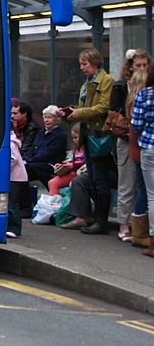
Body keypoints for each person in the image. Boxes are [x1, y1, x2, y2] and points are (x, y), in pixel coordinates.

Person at [58, 47, 115, 235]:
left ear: (95, 62)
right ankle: (94, 218)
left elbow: (104, 106)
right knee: (92, 177)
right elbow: (85, 107)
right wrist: (69, 112)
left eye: (85, 64)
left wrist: (79, 113)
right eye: (81, 64)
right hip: (88, 134)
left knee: (99, 179)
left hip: (100, 135)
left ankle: (101, 220)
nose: (82, 67)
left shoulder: (106, 81)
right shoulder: (86, 83)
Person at [111, 49, 151, 241]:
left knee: (144, 187)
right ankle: (124, 224)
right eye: (138, 65)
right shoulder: (121, 87)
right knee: (127, 183)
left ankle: (139, 228)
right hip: (127, 140)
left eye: (145, 65)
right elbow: (114, 114)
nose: (142, 69)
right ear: (130, 67)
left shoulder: (147, 90)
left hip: (144, 142)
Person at [130, 66, 154, 257]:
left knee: (152, 195)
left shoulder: (144, 94)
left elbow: (136, 124)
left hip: (149, 148)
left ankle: (152, 241)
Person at [25, 105, 68, 187]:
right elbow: (32, 148)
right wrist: (25, 159)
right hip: (36, 163)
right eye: (45, 117)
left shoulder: (60, 135)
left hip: (50, 165)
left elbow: (48, 154)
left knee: (26, 169)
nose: (46, 120)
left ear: (57, 119)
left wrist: (30, 160)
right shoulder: (41, 132)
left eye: (49, 117)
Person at [11, 101, 40, 217]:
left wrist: (22, 159)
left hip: (32, 159)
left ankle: (25, 207)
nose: (12, 116)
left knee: (21, 172)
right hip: (22, 157)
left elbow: (26, 148)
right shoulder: (15, 125)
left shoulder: (31, 128)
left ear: (24, 114)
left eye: (15, 113)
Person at [48, 123, 85, 195]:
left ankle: (52, 203)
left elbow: (84, 163)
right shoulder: (77, 149)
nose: (74, 140)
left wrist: (72, 165)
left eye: (76, 137)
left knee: (53, 183)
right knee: (51, 182)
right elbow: (74, 161)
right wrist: (62, 165)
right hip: (72, 172)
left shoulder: (87, 149)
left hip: (80, 173)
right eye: (73, 138)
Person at [7, 130, 27, 239]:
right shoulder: (12, 140)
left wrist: (2, 169)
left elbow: (12, 158)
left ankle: (15, 228)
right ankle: (11, 226)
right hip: (15, 176)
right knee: (10, 202)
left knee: (12, 202)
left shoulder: (11, 142)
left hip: (14, 177)